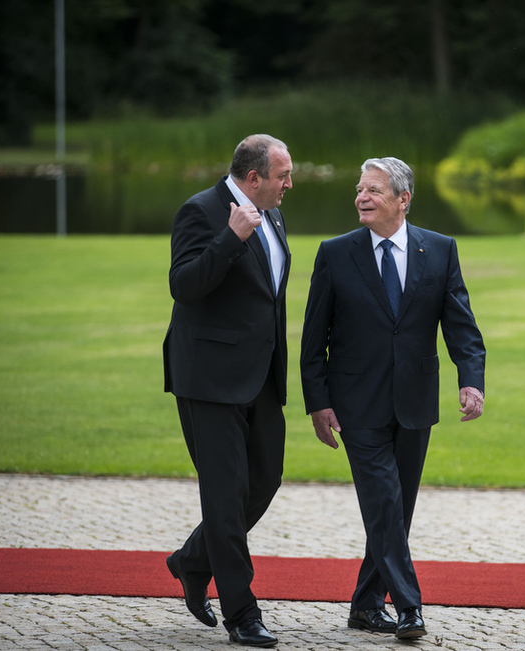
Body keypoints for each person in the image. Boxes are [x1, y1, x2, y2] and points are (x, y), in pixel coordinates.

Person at [300, 156, 486, 640]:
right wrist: (317, 402)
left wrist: (471, 379)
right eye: (360, 189)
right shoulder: (336, 253)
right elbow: (312, 338)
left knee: (396, 511)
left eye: (374, 190)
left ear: (403, 200)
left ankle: (364, 605)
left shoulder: (440, 250)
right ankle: (408, 606)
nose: (362, 197)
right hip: (356, 405)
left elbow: (461, 325)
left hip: (415, 402)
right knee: (385, 504)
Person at [162, 134, 292, 648]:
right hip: (209, 379)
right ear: (253, 177)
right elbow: (184, 286)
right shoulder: (201, 212)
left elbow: (268, 297)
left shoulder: (274, 213)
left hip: (260, 378)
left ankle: (192, 562)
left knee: (265, 480)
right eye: (282, 175)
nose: (290, 183)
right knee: (225, 493)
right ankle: (242, 613)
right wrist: (230, 239)